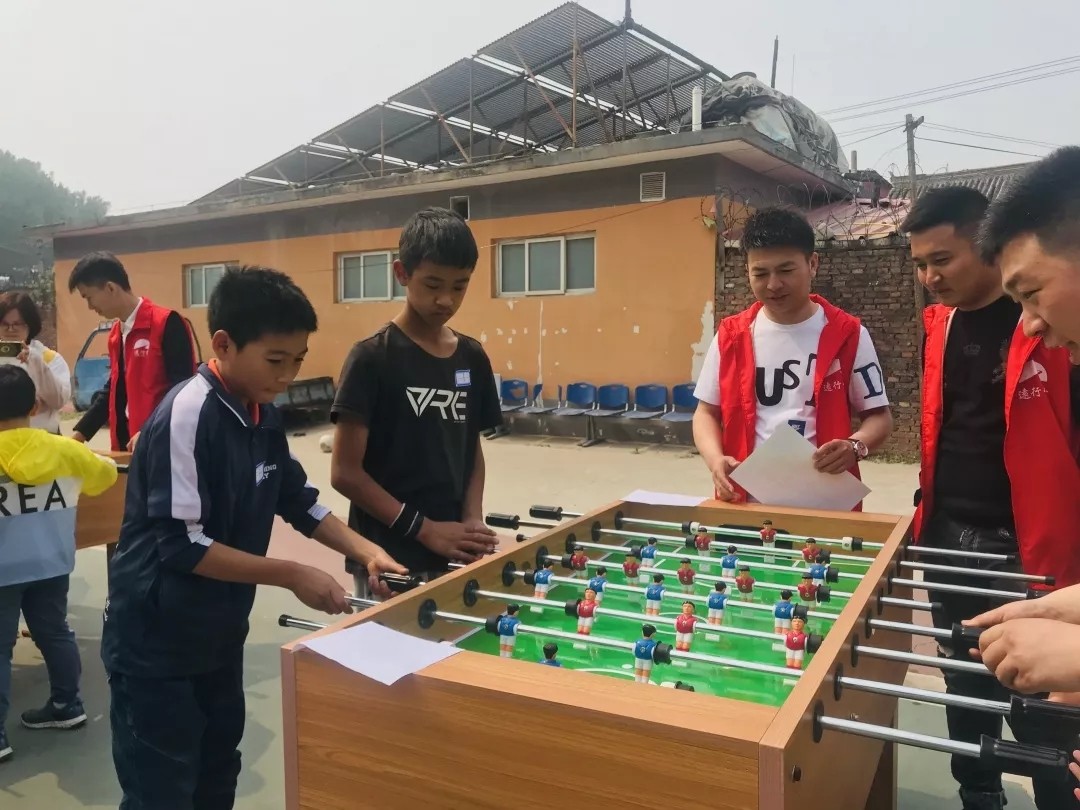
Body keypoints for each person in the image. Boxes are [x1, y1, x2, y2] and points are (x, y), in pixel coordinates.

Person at [100, 266, 408, 809]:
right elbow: (182, 545)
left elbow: (298, 499)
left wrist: (367, 550)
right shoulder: (187, 414)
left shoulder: (263, 415)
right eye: (275, 360)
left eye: (298, 361)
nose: (287, 376)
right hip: (156, 644)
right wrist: (291, 573)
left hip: (219, 635)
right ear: (223, 344)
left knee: (218, 776)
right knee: (162, 791)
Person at [904, 185, 1080, 810]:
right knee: (964, 681)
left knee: (1045, 702)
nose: (930, 277)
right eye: (919, 264)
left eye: (942, 259)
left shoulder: (1053, 330)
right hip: (949, 533)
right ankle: (978, 794)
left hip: (1029, 549)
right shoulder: (940, 325)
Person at [330, 208, 502, 598]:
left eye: (460, 286)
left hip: (453, 550)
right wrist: (425, 530)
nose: (446, 299)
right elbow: (344, 473)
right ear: (401, 273)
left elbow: (470, 448)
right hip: (387, 559)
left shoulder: (472, 357)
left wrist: (472, 520)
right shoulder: (371, 358)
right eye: (433, 284)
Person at [692, 206, 893, 506]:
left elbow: (879, 417)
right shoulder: (731, 336)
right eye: (760, 273)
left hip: (825, 502)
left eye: (786, 271)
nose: (773, 284)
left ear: (812, 264)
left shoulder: (848, 334)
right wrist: (715, 459)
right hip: (743, 501)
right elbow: (706, 412)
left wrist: (855, 446)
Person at [0, 365, 118, 763]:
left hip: (2, 570)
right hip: (52, 562)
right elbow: (104, 476)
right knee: (55, 633)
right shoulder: (65, 450)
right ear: (35, 406)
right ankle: (68, 705)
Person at [68, 251, 197, 452]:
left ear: (110, 288)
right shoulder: (116, 334)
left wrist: (148, 430)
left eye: (89, 298)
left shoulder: (167, 323)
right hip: (126, 445)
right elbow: (113, 391)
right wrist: (79, 435)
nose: (90, 307)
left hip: (162, 445)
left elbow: (183, 391)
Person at [0, 292, 71, 433]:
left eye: (17, 324)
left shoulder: (49, 358)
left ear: (30, 324)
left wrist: (35, 361)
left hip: (43, 438)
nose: (10, 330)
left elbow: (58, 400)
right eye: (4, 324)